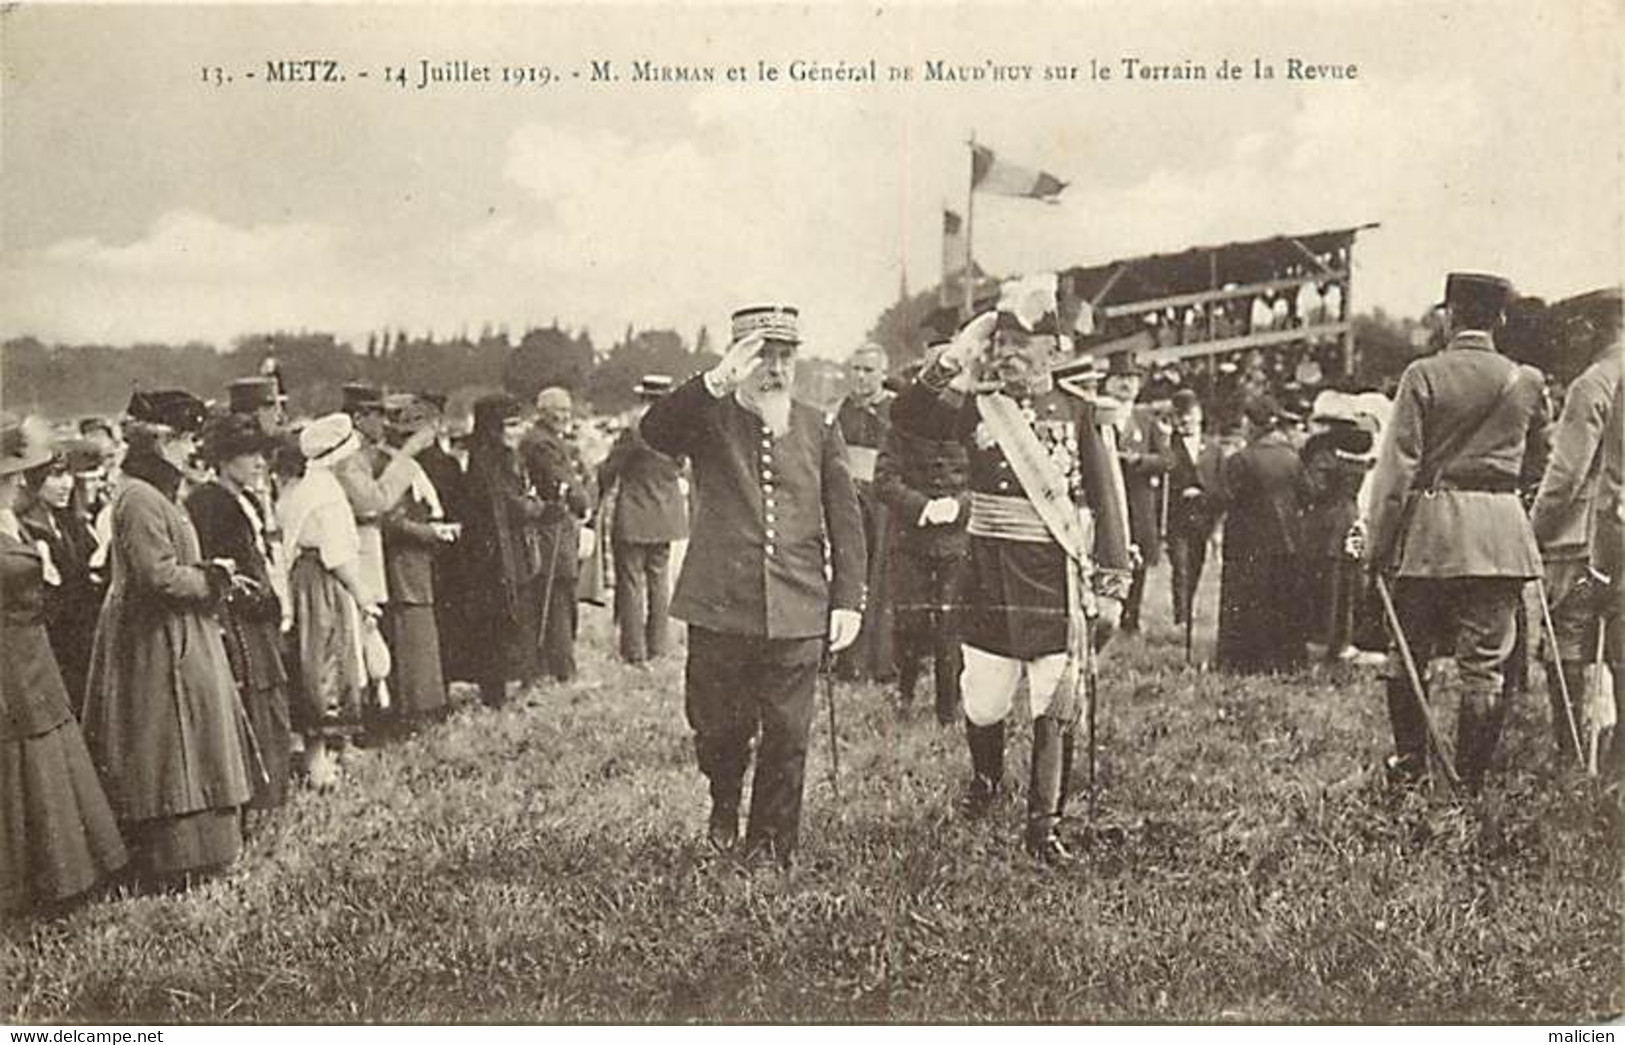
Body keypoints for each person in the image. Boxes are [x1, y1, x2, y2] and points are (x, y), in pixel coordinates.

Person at [892, 274, 1132, 863]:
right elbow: (908, 417)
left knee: (1055, 698)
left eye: (1020, 347)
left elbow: (1108, 500)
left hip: (1055, 578)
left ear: (1053, 349)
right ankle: (987, 782)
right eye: (999, 345)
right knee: (984, 701)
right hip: (986, 576)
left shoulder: (1081, 414)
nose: (1007, 356)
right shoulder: (976, 403)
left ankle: (1043, 826)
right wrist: (955, 356)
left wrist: (1114, 583)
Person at [640, 304, 865, 870]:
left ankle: (769, 847)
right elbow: (655, 431)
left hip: (798, 605)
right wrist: (714, 381)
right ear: (739, 360)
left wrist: (848, 600)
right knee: (720, 727)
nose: (776, 369)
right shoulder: (707, 417)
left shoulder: (819, 426)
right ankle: (723, 797)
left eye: (786, 356)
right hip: (720, 606)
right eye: (762, 356)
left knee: (788, 734)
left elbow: (845, 516)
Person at [1365, 272, 1550, 790]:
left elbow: (1397, 472)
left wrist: (1378, 547)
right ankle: (1469, 783)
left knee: (1408, 654)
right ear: (1501, 319)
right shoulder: (1528, 381)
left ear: (1450, 316)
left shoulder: (1422, 376)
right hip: (1502, 537)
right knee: (1484, 668)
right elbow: (1541, 463)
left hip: (1431, 536)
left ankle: (1410, 768)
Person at [81, 390, 254, 884]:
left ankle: (200, 852)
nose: (191, 448)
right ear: (159, 442)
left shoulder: (154, 492)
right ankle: (176, 859)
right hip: (156, 638)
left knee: (187, 738)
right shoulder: (139, 497)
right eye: (183, 439)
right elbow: (156, 576)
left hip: (174, 632)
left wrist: (207, 573)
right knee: (170, 742)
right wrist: (211, 580)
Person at [1, 415, 128, 915]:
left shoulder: (12, 521)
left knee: (47, 751)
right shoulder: (13, 524)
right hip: (13, 658)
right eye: (13, 477)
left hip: (32, 653)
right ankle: (39, 880)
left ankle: (64, 873)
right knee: (25, 757)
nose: (15, 486)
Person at [1529, 287, 1623, 775]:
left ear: (1595, 327)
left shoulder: (1593, 383)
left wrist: (1532, 531)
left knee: (1564, 642)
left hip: (1582, 537)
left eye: (1577, 328)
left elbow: (1565, 475)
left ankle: (1572, 754)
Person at [186, 413, 293, 815]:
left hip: (257, 616)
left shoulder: (242, 498)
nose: (260, 463)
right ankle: (258, 802)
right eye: (249, 455)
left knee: (270, 702)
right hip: (238, 622)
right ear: (224, 457)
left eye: (261, 454)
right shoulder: (209, 502)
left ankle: (272, 797)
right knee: (253, 704)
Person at [278, 413, 380, 790]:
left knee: (317, 664)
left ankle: (323, 756)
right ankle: (320, 765)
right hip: (324, 582)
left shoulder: (309, 488)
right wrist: (363, 594)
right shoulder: (326, 496)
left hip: (309, 579)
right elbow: (337, 555)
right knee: (327, 665)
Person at [874, 351, 970, 725]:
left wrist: (959, 507)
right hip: (911, 540)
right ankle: (906, 692)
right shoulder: (901, 428)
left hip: (957, 542)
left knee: (951, 624)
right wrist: (921, 507)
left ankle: (949, 707)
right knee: (909, 621)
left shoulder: (971, 423)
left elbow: (989, 480)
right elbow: (885, 480)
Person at [462, 394, 550, 708]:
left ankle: (509, 687)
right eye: (510, 425)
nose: (517, 431)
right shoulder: (487, 462)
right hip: (492, 557)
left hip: (507, 552)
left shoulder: (502, 458)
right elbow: (509, 504)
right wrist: (540, 509)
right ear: (493, 428)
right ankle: (496, 694)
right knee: (495, 624)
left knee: (510, 620)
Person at [1212, 395, 1309, 674]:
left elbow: (1225, 497)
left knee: (1246, 603)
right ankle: (1285, 662)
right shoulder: (1292, 458)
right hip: (1287, 543)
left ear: (1251, 424)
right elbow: (1308, 494)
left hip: (1247, 544)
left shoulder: (1241, 460)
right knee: (1282, 604)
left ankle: (1242, 663)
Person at [378, 395, 456, 731]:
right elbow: (392, 521)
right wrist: (430, 532)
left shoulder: (404, 465)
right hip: (404, 566)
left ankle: (425, 708)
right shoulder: (392, 466)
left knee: (421, 635)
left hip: (415, 564)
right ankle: (416, 712)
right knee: (413, 637)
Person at [597, 375, 688, 665]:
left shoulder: (635, 430)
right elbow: (681, 466)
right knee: (659, 582)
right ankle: (659, 646)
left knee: (631, 583)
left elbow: (610, 468)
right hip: (666, 516)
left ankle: (634, 652)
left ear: (643, 398)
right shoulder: (678, 430)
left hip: (634, 515)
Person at [19, 438, 105, 716]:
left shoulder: (68, 524)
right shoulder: (31, 533)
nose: (66, 483)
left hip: (81, 639)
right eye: (55, 475)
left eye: (68, 474)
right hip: (58, 645)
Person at [522, 387, 593, 684]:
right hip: (552, 528)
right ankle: (562, 669)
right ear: (542, 411)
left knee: (556, 597)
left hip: (556, 526)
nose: (564, 416)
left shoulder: (546, 439)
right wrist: (583, 503)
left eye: (566, 410)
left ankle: (549, 666)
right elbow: (563, 481)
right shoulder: (542, 443)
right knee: (559, 595)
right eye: (557, 411)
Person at [834, 343, 896, 681]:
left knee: (880, 579)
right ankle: (844, 660)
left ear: (883, 374)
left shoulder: (894, 410)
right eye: (855, 369)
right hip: (848, 500)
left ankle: (879, 662)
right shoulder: (841, 409)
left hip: (884, 505)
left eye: (868, 370)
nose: (860, 377)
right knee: (847, 573)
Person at [1102, 353, 1168, 635]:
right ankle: (1107, 611)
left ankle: (1132, 616)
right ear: (1108, 383)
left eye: (1131, 379)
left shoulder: (1146, 419)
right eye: (1120, 379)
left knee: (1137, 557)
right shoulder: (1098, 414)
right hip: (1108, 497)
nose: (1126, 385)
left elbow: (1167, 459)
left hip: (1138, 499)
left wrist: (1139, 461)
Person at [1164, 389, 1223, 629]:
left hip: (1203, 518)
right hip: (1177, 518)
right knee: (1180, 566)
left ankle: (1189, 606)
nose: (1185, 420)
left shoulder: (1214, 449)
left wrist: (1205, 498)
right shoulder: (1168, 445)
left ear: (1199, 414)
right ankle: (1181, 616)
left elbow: (1221, 484)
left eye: (1189, 414)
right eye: (1180, 415)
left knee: (1196, 565)